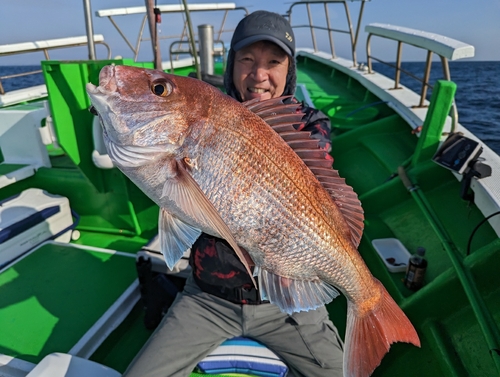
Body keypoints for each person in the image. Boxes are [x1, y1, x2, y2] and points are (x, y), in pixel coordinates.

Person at [123, 10, 343, 377]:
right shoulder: (200, 111)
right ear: (231, 65)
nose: (259, 75)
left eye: (274, 62)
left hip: (285, 305)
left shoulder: (308, 125)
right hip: (207, 296)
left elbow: (316, 176)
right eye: (247, 60)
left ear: (290, 70)